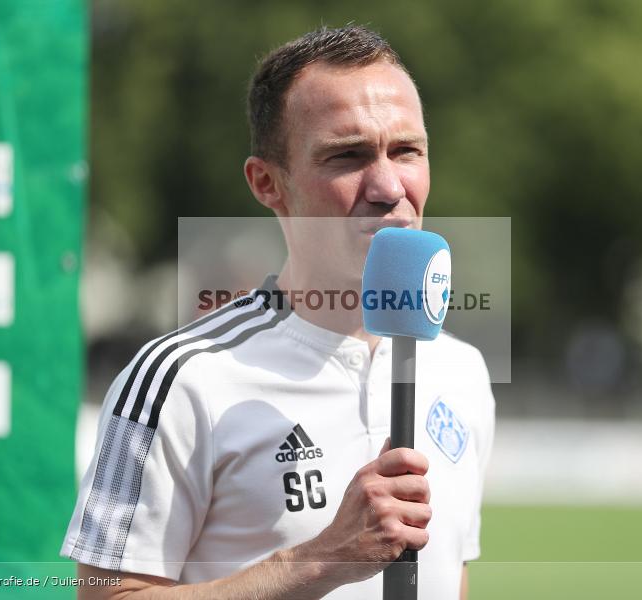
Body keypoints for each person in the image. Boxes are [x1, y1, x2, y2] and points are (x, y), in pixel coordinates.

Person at [61, 25, 495, 599]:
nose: (390, 185)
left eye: (407, 150)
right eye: (349, 155)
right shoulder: (178, 378)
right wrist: (320, 560)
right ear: (268, 183)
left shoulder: (462, 371)